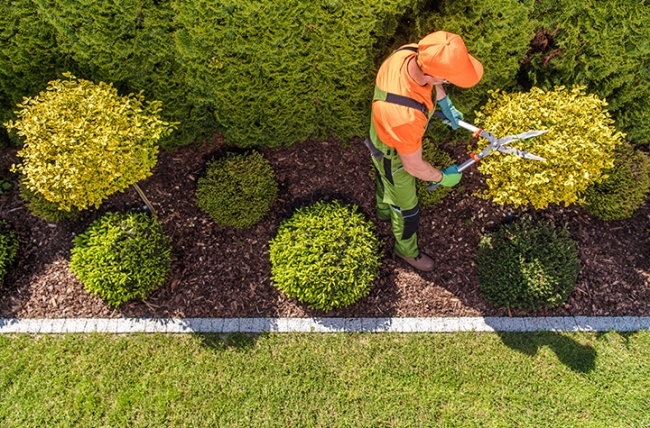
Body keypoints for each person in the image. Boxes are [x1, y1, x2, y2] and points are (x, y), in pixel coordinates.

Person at [364, 31, 483, 271]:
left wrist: (444, 103)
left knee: (383, 179)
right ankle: (406, 251)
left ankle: (382, 209)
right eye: (447, 80)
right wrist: (443, 177)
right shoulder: (405, 118)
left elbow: (432, 80)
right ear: (429, 73)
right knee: (407, 209)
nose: (446, 84)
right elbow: (414, 167)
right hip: (393, 155)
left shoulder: (409, 53)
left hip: (381, 132)